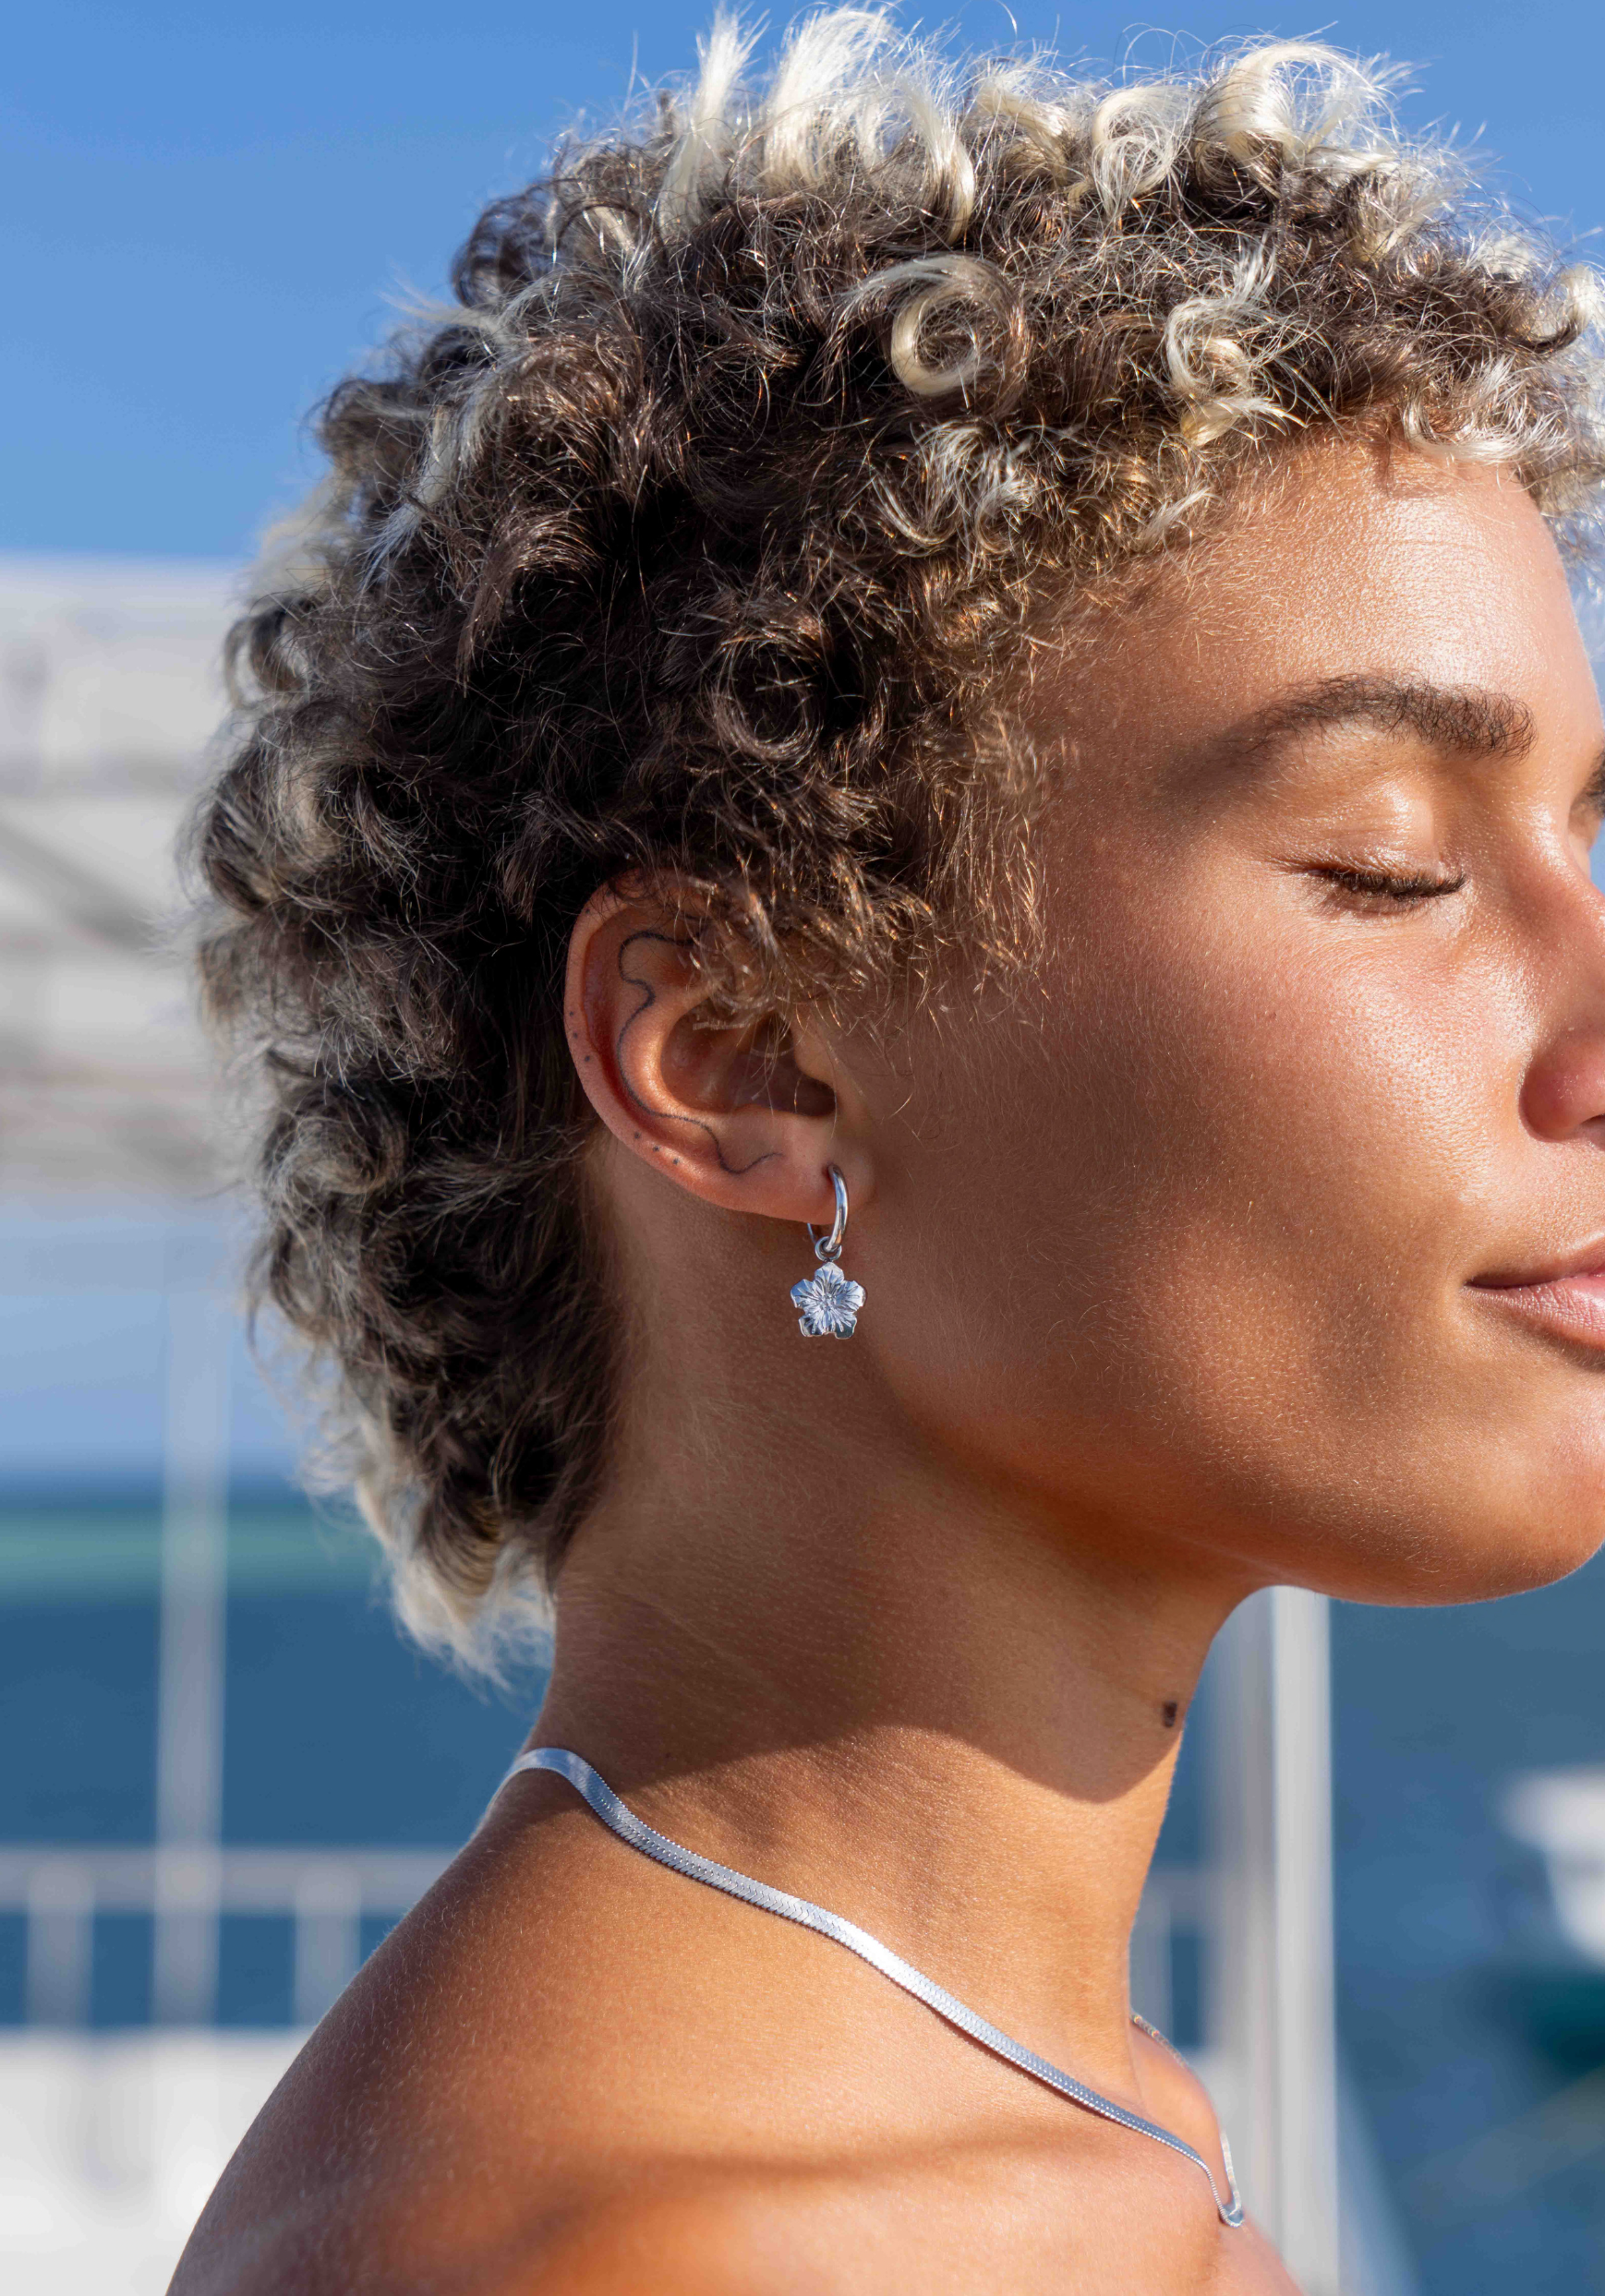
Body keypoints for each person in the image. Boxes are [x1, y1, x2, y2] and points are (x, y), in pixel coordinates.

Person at [173, 13, 1605, 2290]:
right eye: (1383, 860)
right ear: (742, 1059)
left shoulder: (1023, 2115)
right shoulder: (658, 2254)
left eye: (1584, 838)